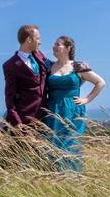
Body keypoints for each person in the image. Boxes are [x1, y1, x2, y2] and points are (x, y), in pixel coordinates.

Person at [42, 35, 106, 172]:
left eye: (57, 44)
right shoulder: (49, 66)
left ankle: (72, 178)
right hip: (52, 110)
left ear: (68, 48)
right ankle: (53, 178)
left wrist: (87, 99)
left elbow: (100, 83)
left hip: (73, 111)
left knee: (70, 146)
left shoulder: (78, 66)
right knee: (52, 145)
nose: (53, 46)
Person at [2, 25, 48, 128]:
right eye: (38, 38)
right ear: (29, 39)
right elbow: (10, 98)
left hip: (44, 119)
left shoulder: (39, 56)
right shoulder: (10, 65)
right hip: (24, 121)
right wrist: (17, 123)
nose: (40, 42)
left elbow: (53, 67)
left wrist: (77, 66)